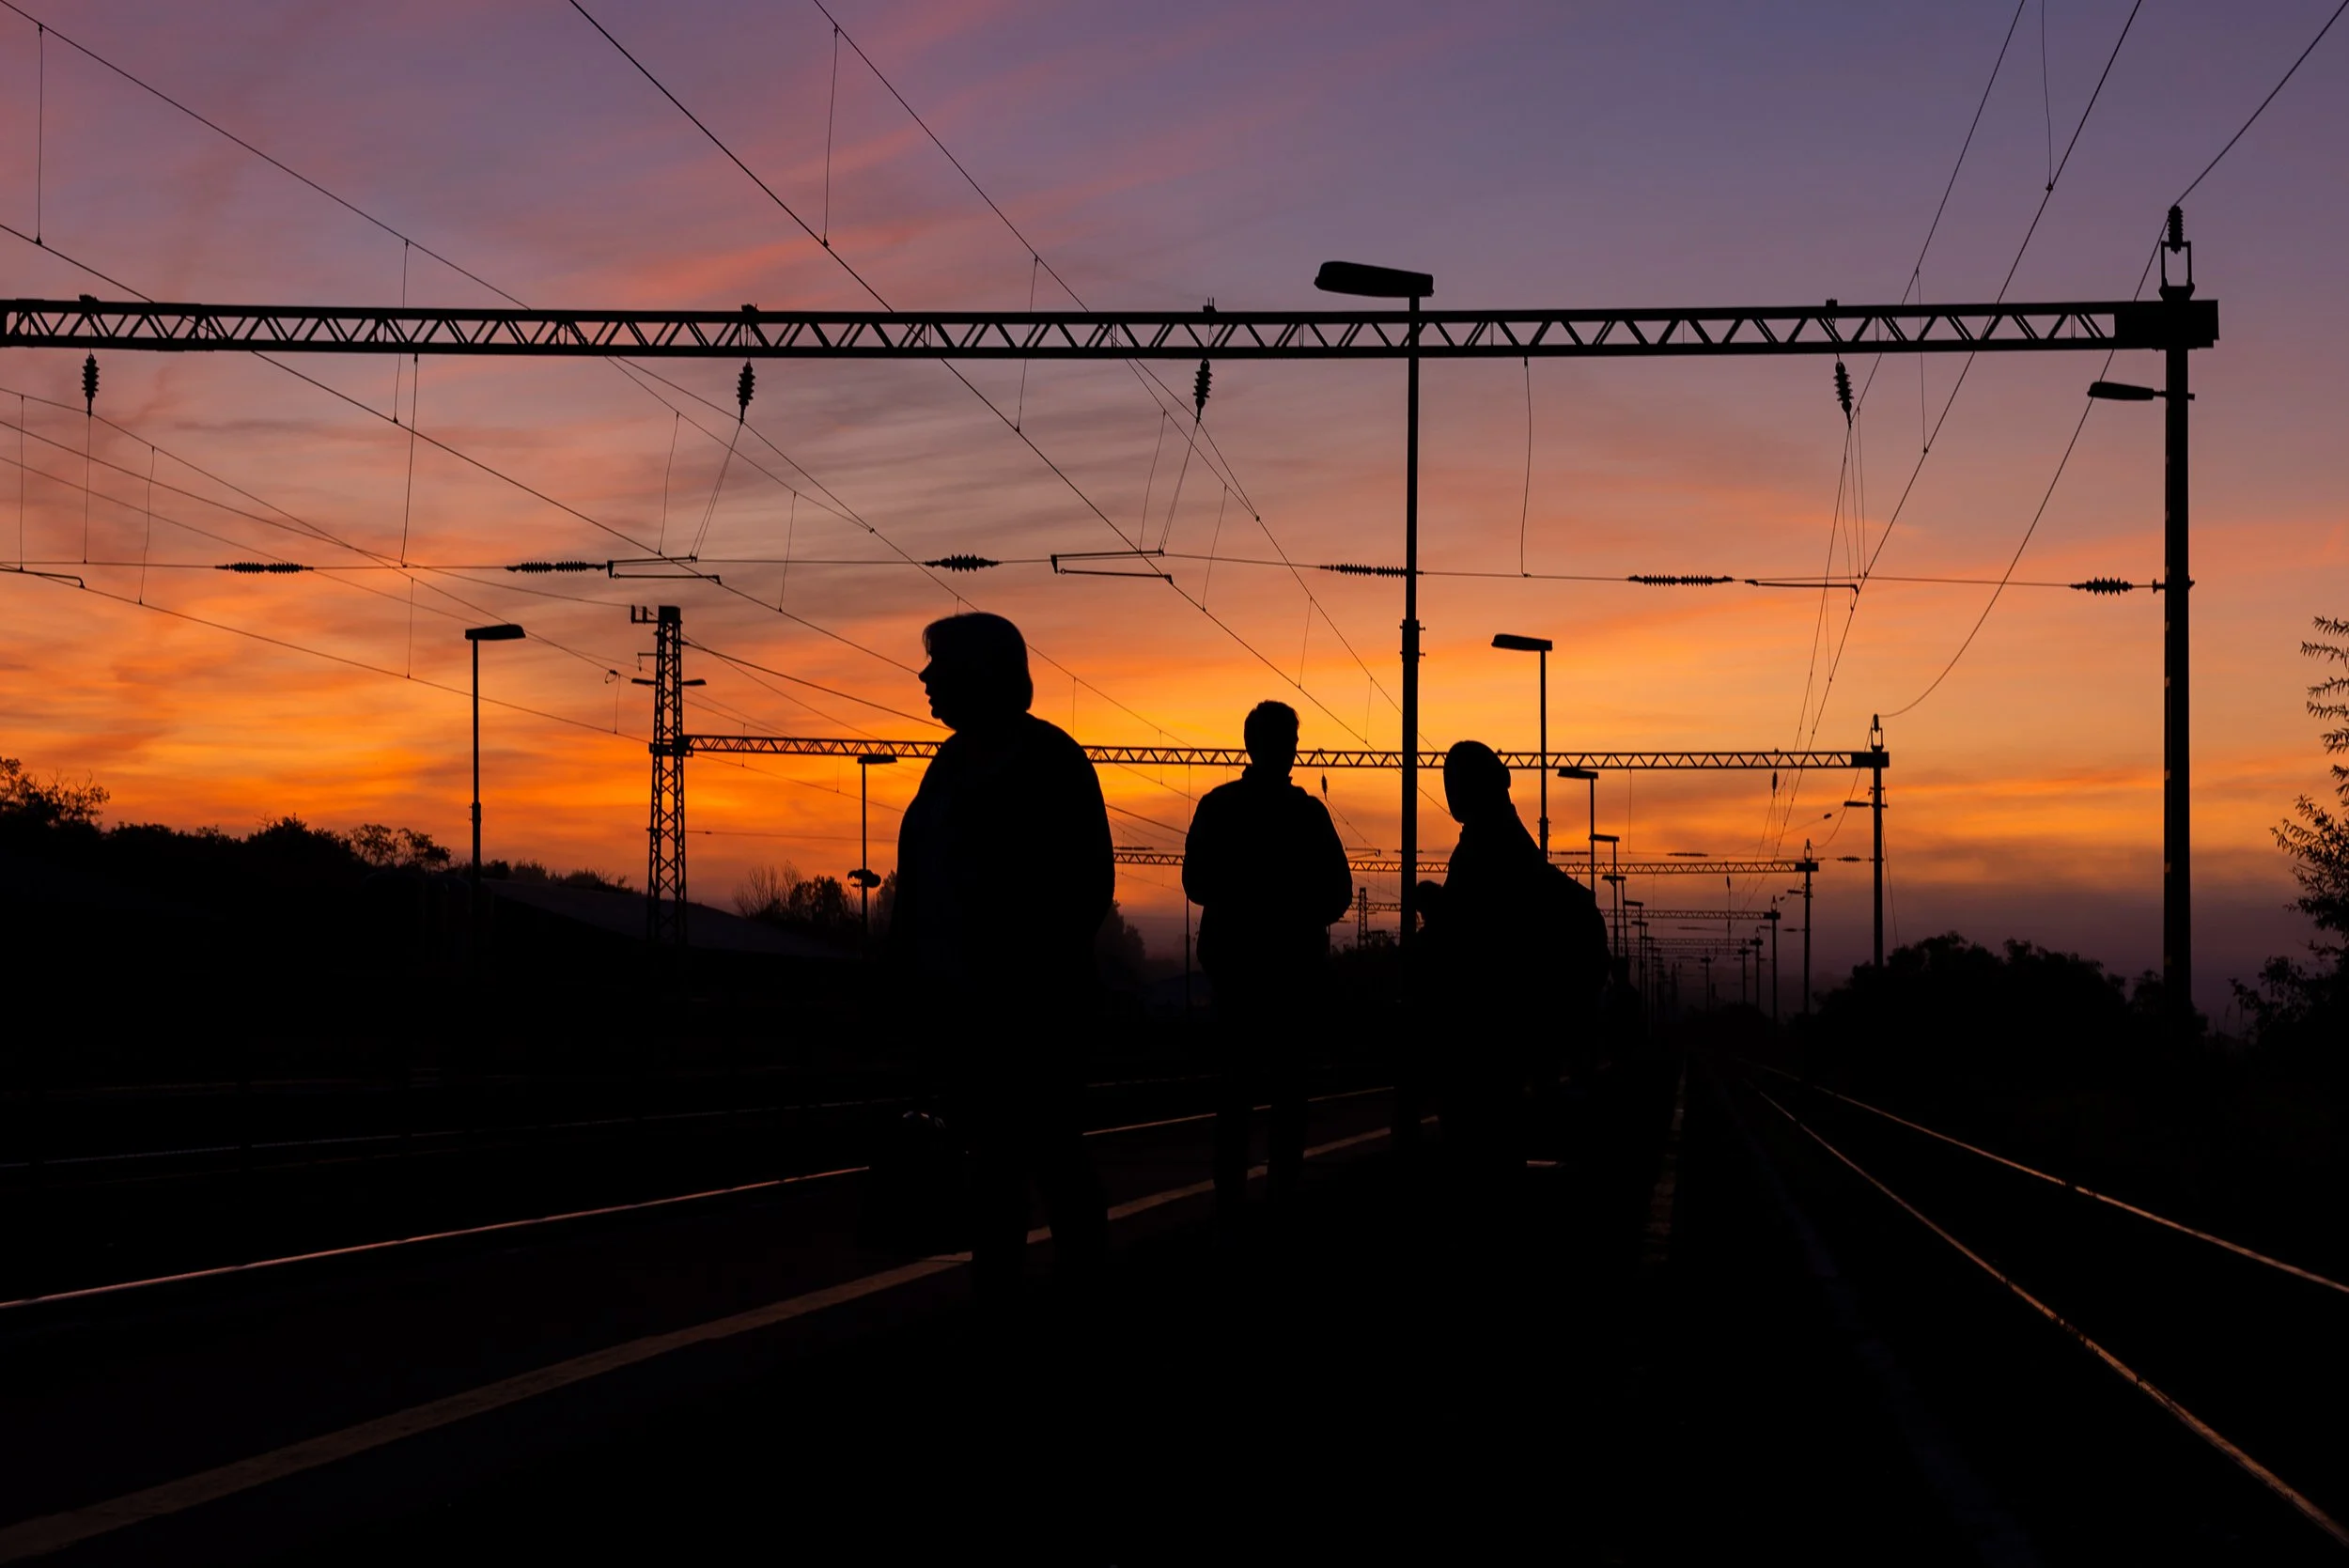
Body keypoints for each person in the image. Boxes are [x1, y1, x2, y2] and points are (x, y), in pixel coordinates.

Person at [890, 612, 1113, 1303]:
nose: (925, 678)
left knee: (1043, 1158)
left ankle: (1067, 1297)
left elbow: (1084, 887)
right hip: (969, 1011)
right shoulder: (952, 767)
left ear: (981, 672)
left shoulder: (1045, 763)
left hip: (1030, 1012)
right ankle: (1013, 1299)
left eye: (940, 665)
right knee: (1006, 1166)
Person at [1181, 701, 1354, 1230]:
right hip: (1292, 976)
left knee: (1235, 1093)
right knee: (1288, 1092)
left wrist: (1238, 904)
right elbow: (1340, 893)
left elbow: (1195, 883)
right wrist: (1299, 915)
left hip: (1235, 974)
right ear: (1288, 749)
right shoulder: (1308, 816)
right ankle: (1282, 1194)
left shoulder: (1218, 807)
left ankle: (1229, 1198)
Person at [1432, 740, 1608, 1179]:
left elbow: (1472, 934)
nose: (1450, 792)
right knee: (1497, 1124)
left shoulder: (1486, 848)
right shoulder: (1503, 841)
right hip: (1511, 1017)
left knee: (1483, 1127)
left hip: (1492, 1016)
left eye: (1456, 782)